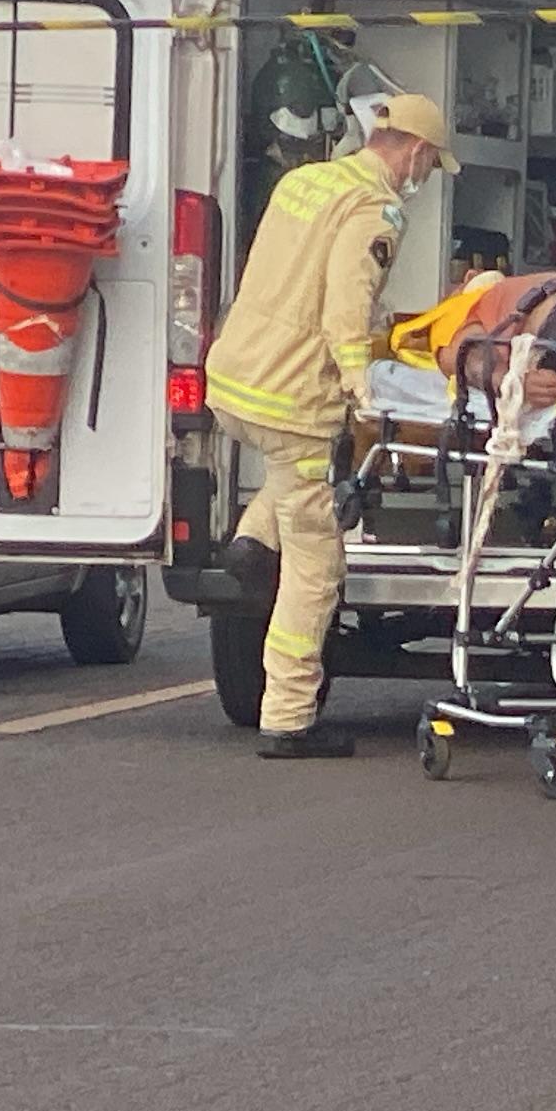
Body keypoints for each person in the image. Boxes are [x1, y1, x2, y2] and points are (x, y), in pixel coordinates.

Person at [203, 91, 457, 755]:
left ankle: (252, 541)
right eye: (431, 163)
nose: (426, 175)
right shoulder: (377, 208)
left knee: (293, 477)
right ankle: (288, 718)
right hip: (294, 395)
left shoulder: (305, 181)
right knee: (316, 566)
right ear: (416, 151)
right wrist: (359, 382)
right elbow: (347, 297)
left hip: (235, 377)